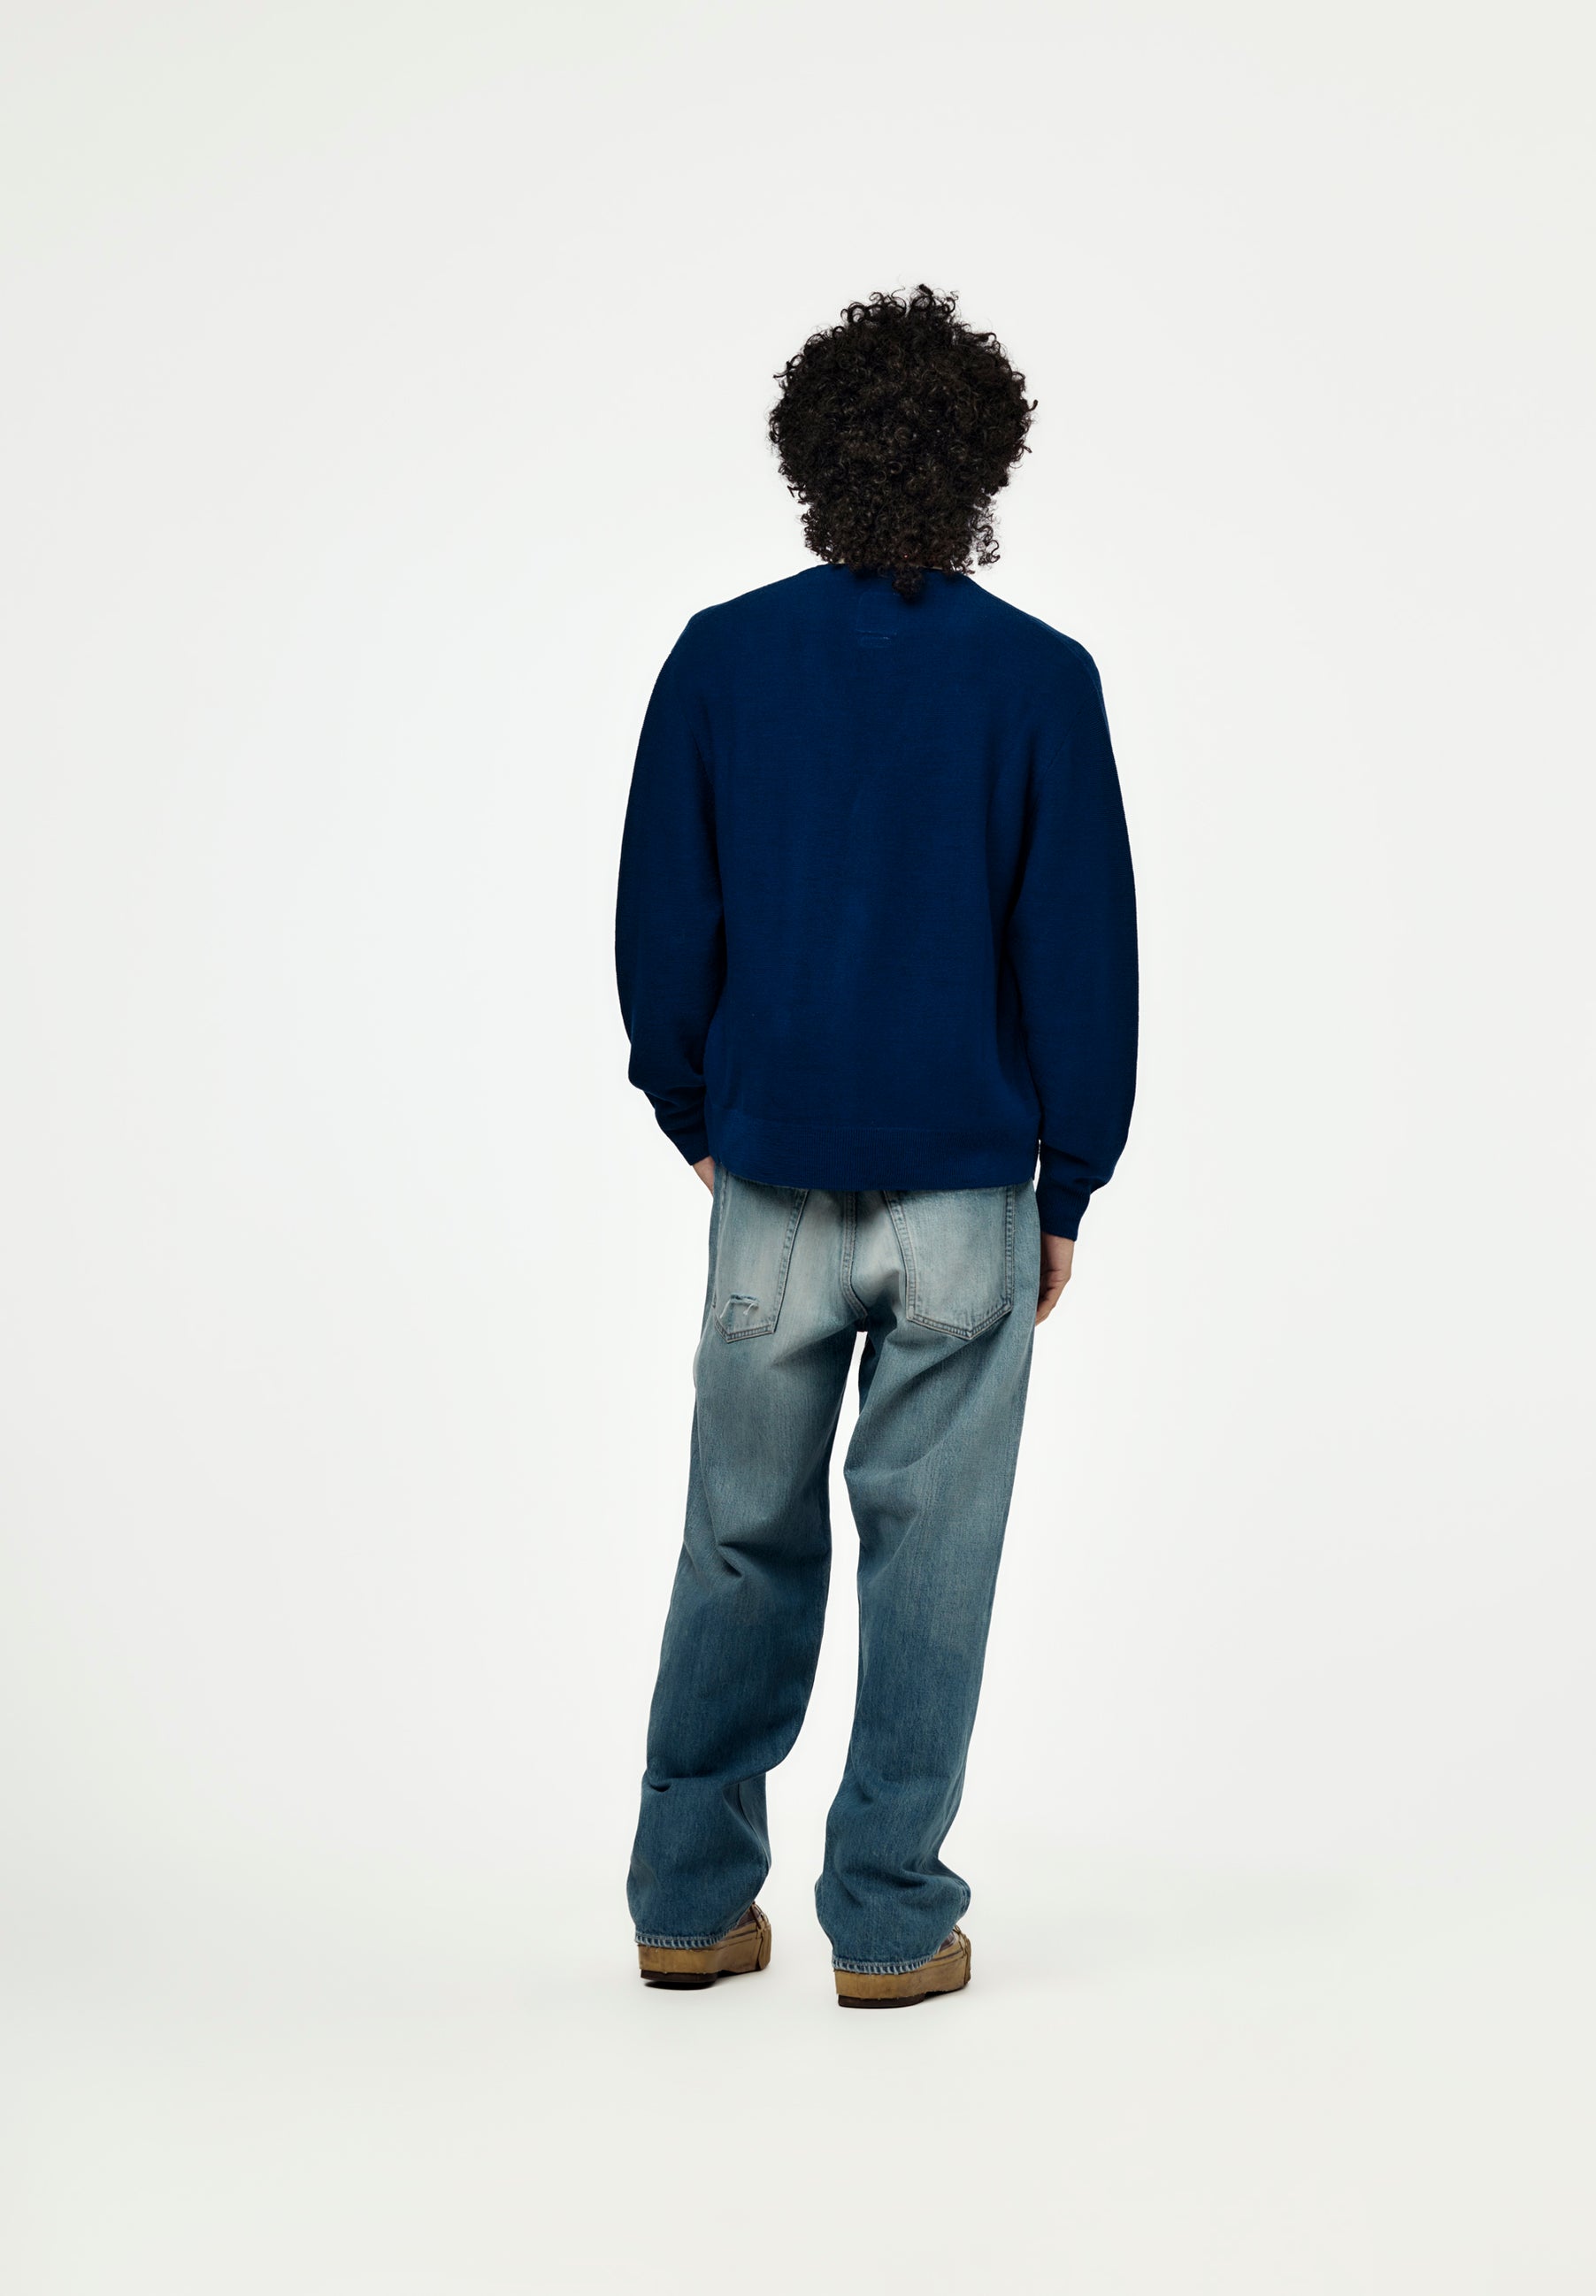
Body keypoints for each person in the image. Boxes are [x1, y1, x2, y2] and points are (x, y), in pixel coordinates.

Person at [615, 286, 1137, 2008]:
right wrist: (1070, 1183)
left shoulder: (721, 658)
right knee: (933, 1564)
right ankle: (893, 1918)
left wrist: (696, 1113)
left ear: (807, 455)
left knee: (736, 1539)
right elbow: (1079, 954)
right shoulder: (1039, 679)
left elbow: (663, 920)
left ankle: (690, 1903)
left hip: (768, 1182)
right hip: (966, 1192)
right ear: (984, 462)